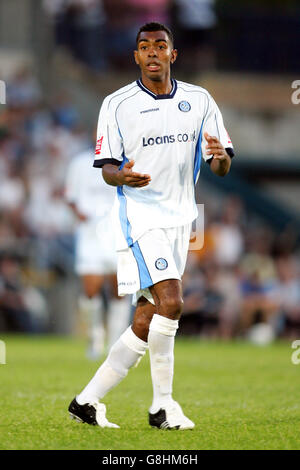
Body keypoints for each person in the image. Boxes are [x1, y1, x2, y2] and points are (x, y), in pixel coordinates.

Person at [68, 22, 234, 430]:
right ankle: (163, 407)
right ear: (137, 57)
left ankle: (87, 401)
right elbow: (106, 167)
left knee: (147, 318)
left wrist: (220, 157)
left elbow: (222, 163)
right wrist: (120, 176)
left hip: (182, 221)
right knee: (173, 302)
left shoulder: (199, 100)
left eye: (161, 45)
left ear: (173, 54)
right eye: (145, 47)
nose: (153, 52)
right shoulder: (117, 104)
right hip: (141, 217)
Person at [65, 145, 131, 359]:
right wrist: (79, 215)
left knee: (119, 291)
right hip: (90, 234)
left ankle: (115, 342)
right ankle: (95, 336)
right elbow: (70, 196)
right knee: (90, 289)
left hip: (118, 232)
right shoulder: (80, 162)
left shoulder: (127, 161)